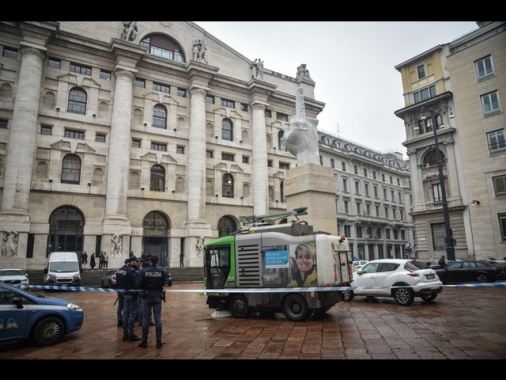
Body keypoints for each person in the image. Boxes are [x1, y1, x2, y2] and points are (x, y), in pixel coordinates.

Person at [136, 255, 166, 349]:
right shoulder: (162, 271)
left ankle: (144, 342)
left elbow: (138, 284)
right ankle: (158, 342)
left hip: (147, 296)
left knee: (145, 320)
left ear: (150, 261)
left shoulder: (144, 271)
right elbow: (163, 282)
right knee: (158, 319)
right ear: (157, 261)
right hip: (157, 295)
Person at [116, 256, 142, 342]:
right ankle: (131, 334)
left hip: (124, 294)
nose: (137, 263)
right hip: (132, 294)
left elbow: (118, 282)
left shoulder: (120, 270)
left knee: (125, 313)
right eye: (136, 261)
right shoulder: (131, 271)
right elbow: (136, 283)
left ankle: (125, 333)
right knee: (132, 314)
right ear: (132, 261)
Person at [116, 258, 130, 327]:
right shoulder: (128, 271)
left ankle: (119, 320)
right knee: (125, 307)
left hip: (119, 290)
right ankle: (124, 321)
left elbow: (117, 281)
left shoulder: (118, 270)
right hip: (125, 290)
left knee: (120, 306)